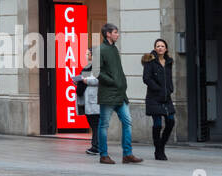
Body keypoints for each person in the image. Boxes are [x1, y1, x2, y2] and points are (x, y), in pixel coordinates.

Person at [96, 22, 141, 165]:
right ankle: (103, 155)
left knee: (127, 122)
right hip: (108, 94)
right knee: (104, 125)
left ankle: (127, 154)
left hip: (120, 94)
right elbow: (97, 72)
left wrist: (121, 83)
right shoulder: (100, 50)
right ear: (108, 34)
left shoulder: (114, 49)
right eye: (115, 32)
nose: (118, 34)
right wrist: (113, 81)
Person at [142, 38, 176, 161]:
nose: (160, 48)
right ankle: (158, 150)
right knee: (157, 124)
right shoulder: (150, 61)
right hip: (154, 97)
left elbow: (170, 77)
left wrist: (170, 88)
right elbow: (146, 78)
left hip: (166, 97)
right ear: (155, 48)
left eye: (162, 46)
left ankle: (161, 145)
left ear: (166, 48)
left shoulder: (169, 61)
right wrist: (157, 88)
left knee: (171, 121)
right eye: (158, 46)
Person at [74, 41, 100, 155]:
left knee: (95, 124)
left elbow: (98, 80)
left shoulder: (98, 67)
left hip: (94, 99)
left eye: (87, 53)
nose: (86, 55)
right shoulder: (87, 67)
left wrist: (85, 80)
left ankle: (96, 147)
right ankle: (96, 145)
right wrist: (78, 81)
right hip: (86, 99)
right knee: (93, 123)